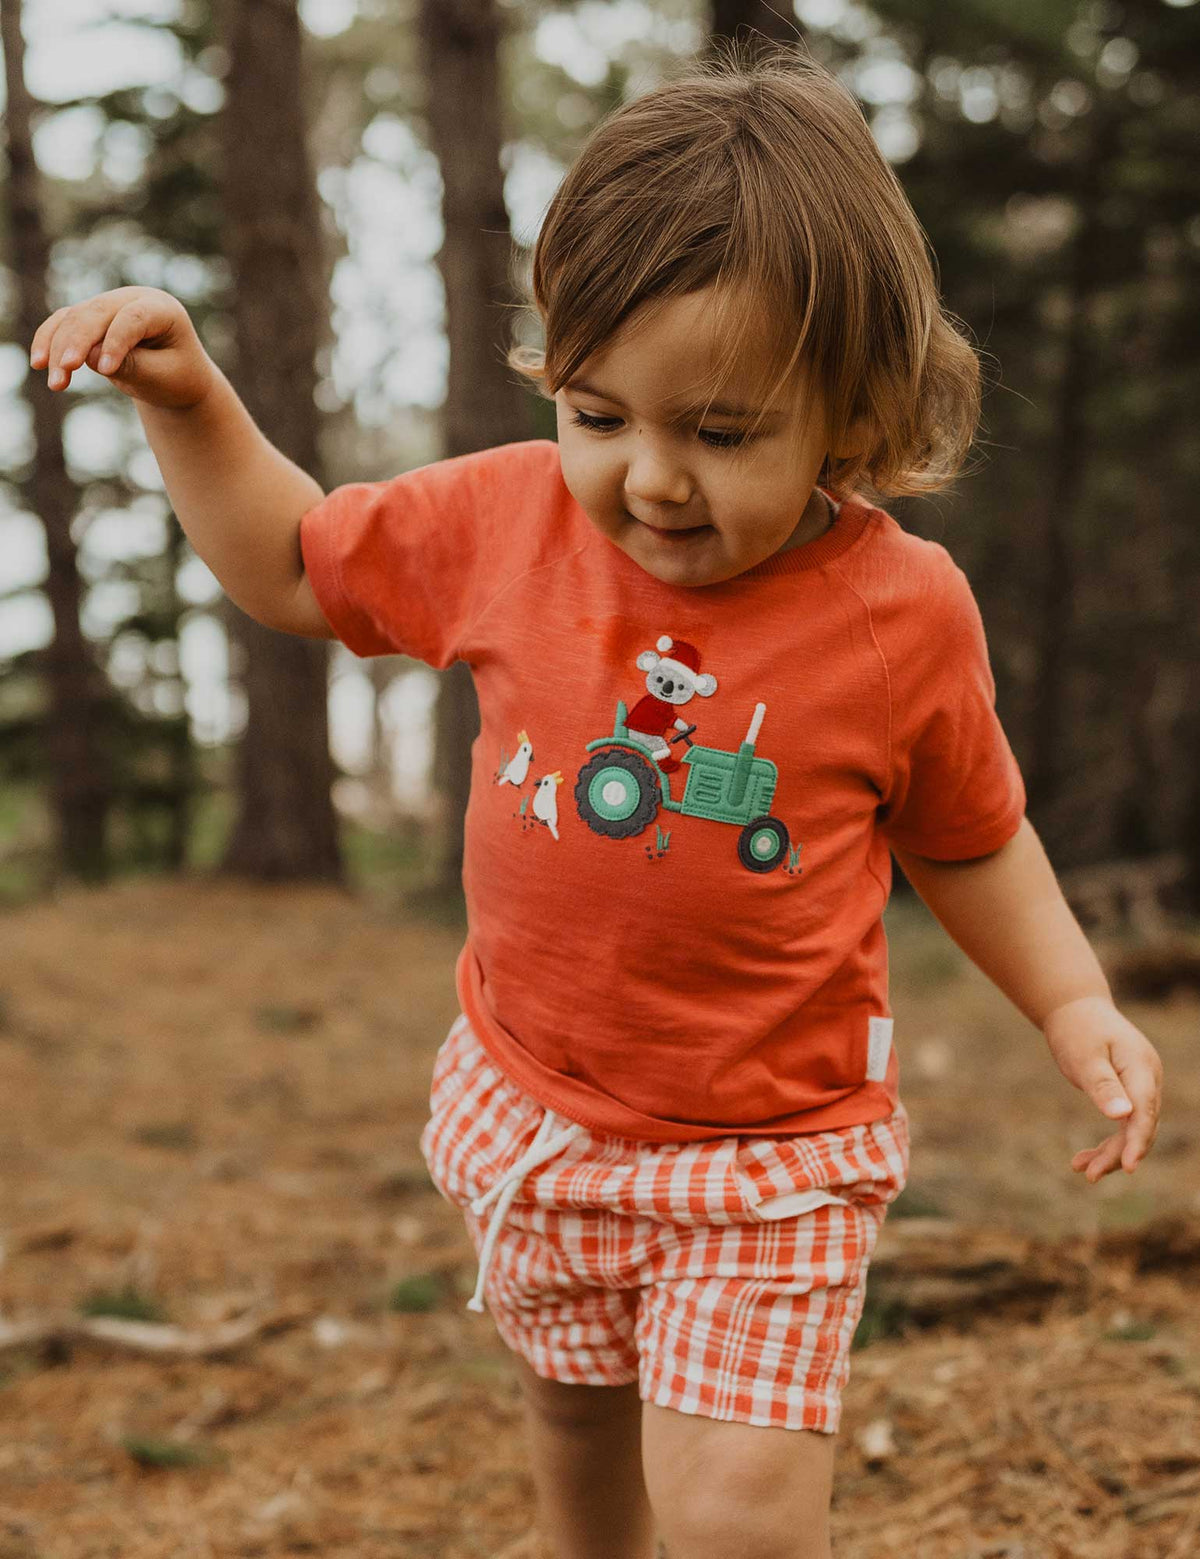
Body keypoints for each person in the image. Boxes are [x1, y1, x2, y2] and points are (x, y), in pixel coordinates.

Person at [30, 43, 1163, 1559]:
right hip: (540, 1107)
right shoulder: (502, 522)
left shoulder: (903, 612)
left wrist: (1075, 1002)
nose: (650, 479)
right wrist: (188, 400)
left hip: (770, 1159)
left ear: (851, 406)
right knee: (578, 1425)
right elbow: (295, 564)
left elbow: (968, 832)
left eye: (721, 430)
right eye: (599, 411)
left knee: (742, 1518)